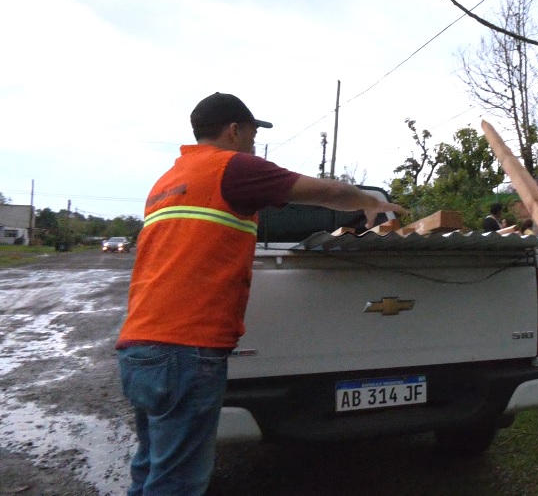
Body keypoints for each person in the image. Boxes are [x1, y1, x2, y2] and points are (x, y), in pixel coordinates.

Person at [116, 92, 405, 496]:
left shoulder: (168, 181)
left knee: (150, 470)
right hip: (187, 348)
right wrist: (369, 201)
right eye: (251, 132)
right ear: (234, 130)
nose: (253, 142)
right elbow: (325, 194)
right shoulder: (231, 168)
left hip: (141, 346)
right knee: (177, 483)